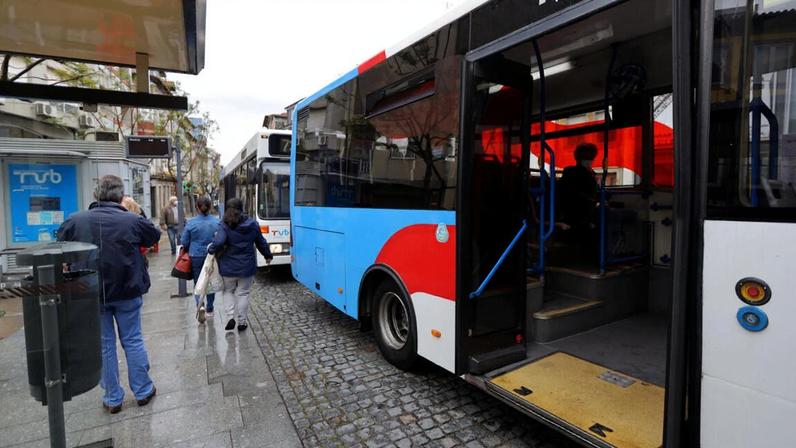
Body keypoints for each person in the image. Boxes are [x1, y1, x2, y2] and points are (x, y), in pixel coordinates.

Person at [57, 175, 160, 414]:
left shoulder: (75, 220)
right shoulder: (131, 220)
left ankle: (113, 398)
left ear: (96, 195)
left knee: (104, 346)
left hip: (91, 292)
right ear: (121, 196)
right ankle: (143, 391)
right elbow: (153, 236)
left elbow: (61, 246)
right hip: (127, 290)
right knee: (133, 340)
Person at [208, 198, 272, 332]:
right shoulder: (252, 224)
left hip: (228, 267)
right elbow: (260, 242)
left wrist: (211, 249)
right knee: (243, 293)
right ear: (242, 209)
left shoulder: (224, 224)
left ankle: (230, 317)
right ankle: (242, 322)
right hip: (246, 266)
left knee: (228, 291)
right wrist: (267, 255)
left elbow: (219, 242)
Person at [181, 196, 220, 324]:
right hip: (211, 255)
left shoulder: (191, 223)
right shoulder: (216, 222)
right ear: (210, 207)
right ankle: (210, 308)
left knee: (198, 282)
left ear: (197, 208)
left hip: (195, 255)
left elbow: (184, 241)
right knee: (210, 281)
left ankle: (200, 305)